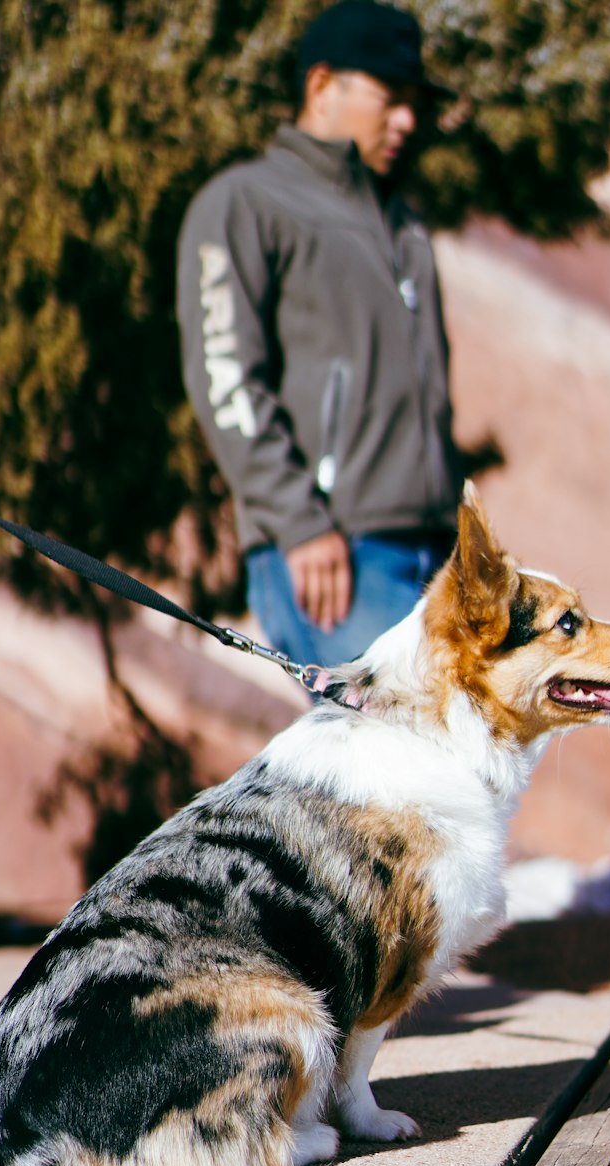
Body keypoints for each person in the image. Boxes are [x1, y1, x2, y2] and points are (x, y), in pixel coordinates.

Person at [177, 0, 463, 667]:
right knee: (392, 762)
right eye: (390, 97)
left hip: (432, 559)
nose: (407, 121)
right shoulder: (247, 203)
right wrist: (300, 523)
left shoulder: (405, 228)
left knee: (447, 769)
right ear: (321, 85)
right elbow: (224, 376)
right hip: (334, 553)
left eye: (414, 103)